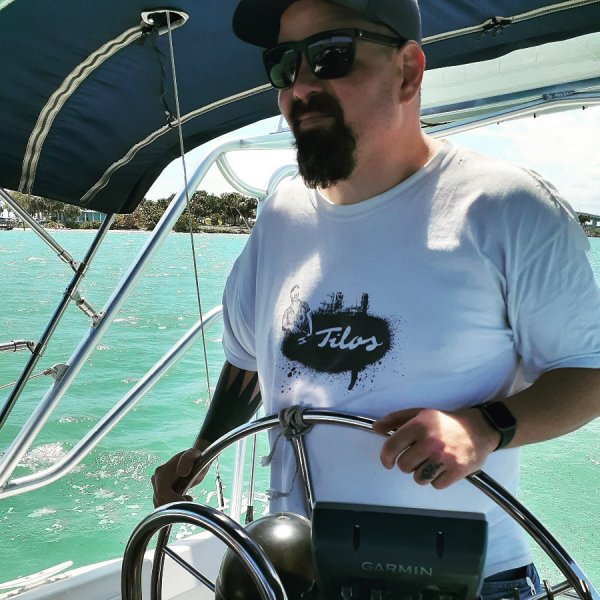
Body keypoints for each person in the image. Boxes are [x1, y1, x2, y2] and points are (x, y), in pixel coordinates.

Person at [152, 0, 600, 596]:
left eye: (330, 56)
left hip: (464, 580)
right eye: (284, 65)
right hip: (297, 571)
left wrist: (484, 426)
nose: (300, 87)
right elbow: (247, 359)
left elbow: (587, 370)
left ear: (408, 70)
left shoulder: (507, 208)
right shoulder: (281, 214)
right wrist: (202, 450)